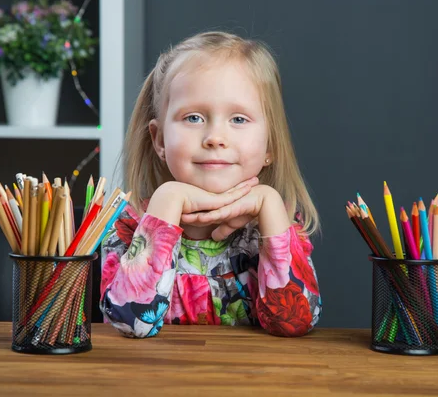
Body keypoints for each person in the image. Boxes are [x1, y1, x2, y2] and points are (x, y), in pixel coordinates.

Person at [100, 31, 321, 338]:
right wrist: (167, 200)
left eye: (239, 120)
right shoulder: (127, 224)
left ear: (270, 145)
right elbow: (130, 323)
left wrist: (269, 201)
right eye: (193, 118)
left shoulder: (275, 223)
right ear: (159, 139)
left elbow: (297, 322)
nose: (215, 137)